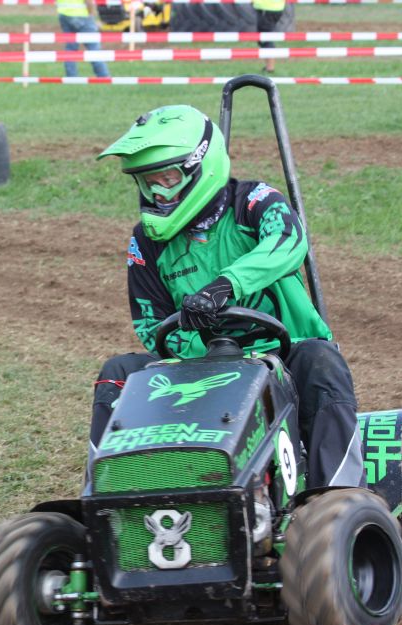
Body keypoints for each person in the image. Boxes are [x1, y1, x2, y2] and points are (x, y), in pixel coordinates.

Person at [91, 104, 364, 489]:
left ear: (199, 167)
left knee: (321, 361)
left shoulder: (254, 201)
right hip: (198, 366)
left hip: (284, 353)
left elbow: (289, 239)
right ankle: (110, 500)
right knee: (119, 372)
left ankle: (340, 497)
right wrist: (195, 337)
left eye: (166, 178)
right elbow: (151, 324)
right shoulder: (145, 241)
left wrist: (226, 286)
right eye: (147, 181)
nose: (156, 191)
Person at [56, 0, 111, 78]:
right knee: (94, 48)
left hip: (64, 15)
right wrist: (92, 16)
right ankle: (103, 76)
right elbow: (89, 2)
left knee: (70, 49)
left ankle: (71, 77)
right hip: (82, 15)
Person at [252, 0, 286, 74]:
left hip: (267, 8)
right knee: (264, 37)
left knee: (265, 38)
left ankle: (270, 68)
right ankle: (268, 66)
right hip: (275, 7)